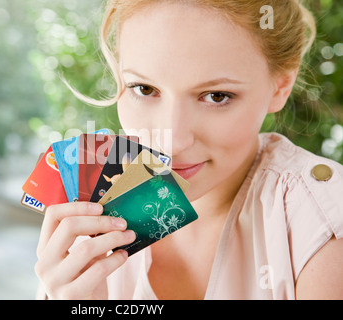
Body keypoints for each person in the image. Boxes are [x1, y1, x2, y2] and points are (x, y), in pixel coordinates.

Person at [34, 0, 343, 299]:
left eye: (217, 96)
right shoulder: (84, 224)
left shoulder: (321, 223)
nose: (171, 142)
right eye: (144, 89)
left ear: (281, 87)